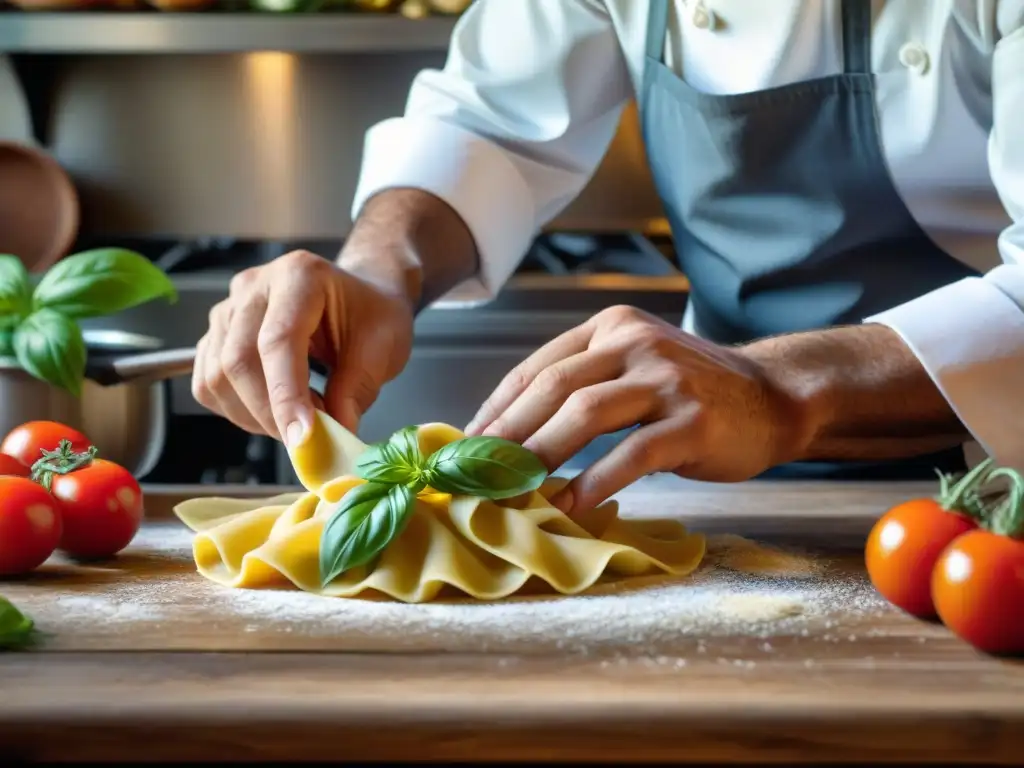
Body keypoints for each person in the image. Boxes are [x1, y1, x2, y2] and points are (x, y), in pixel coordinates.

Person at [192, 0, 1024, 516]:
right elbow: (490, 123)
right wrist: (380, 267)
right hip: (717, 487)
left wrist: (776, 392)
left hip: (994, 495)